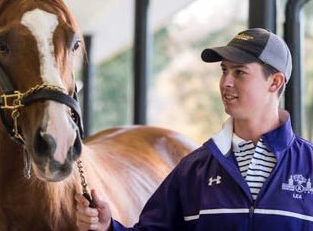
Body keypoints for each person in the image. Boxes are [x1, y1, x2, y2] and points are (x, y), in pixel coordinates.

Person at [75, 28, 313, 230]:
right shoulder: (193, 169)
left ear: (275, 82)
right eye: (224, 70)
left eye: (239, 72)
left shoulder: (309, 166)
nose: (225, 82)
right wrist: (108, 226)